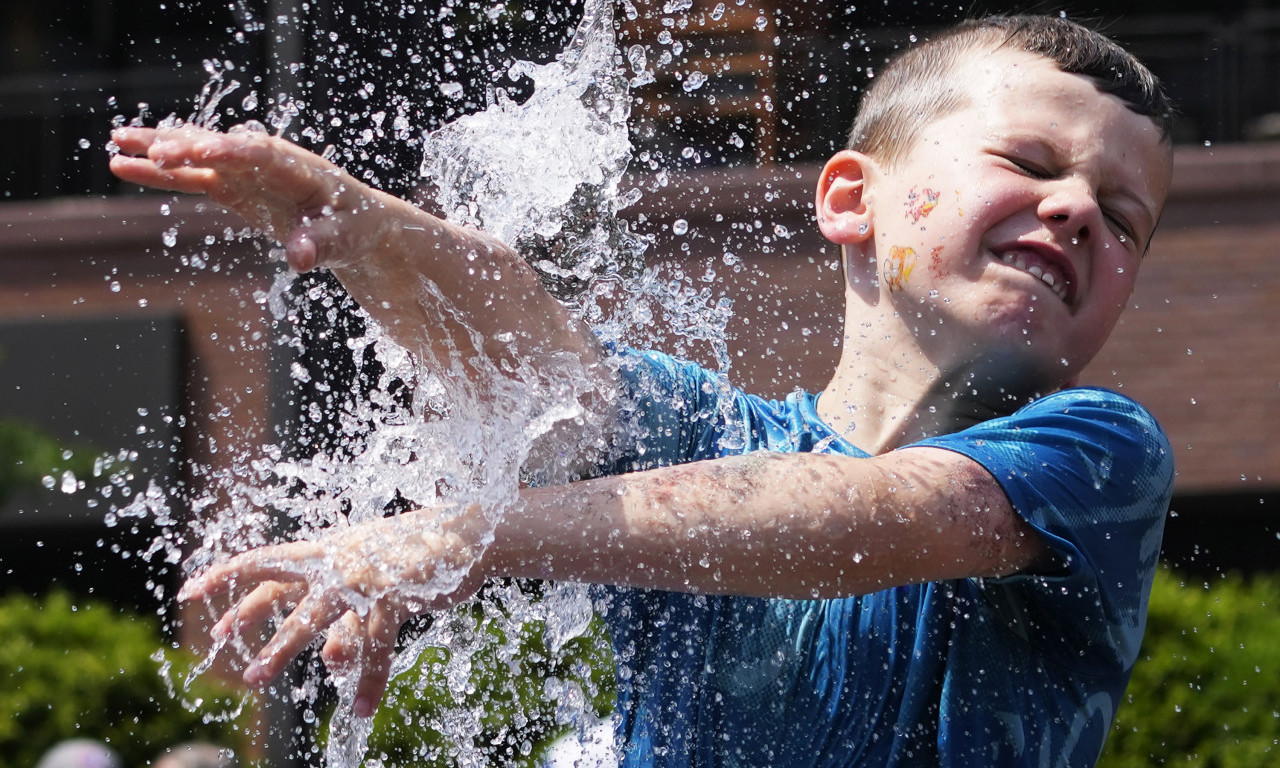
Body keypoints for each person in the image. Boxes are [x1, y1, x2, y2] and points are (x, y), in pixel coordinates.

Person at [109, 13, 1175, 767]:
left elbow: (878, 519)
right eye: (1028, 162)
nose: (1077, 209)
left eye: (1121, 216)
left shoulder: (1095, 451)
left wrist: (465, 536)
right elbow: (529, 366)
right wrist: (367, 229)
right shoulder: (708, 430)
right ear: (850, 199)